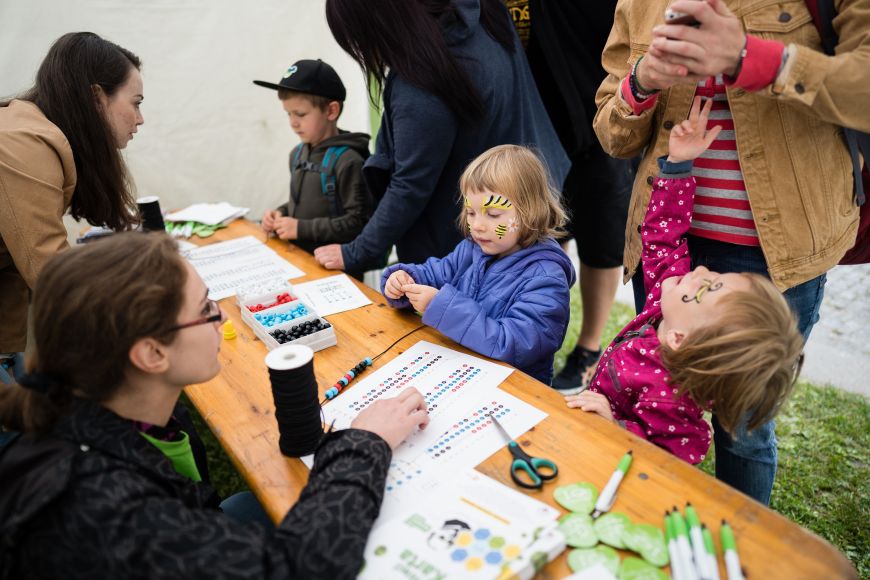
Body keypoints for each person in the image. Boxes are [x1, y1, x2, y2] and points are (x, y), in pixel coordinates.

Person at [0, 233, 430, 578]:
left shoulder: (88, 413)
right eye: (206, 308)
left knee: (247, 503)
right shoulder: (107, 514)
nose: (222, 318)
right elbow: (299, 565)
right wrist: (364, 441)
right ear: (151, 354)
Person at [593, 0, 868, 503]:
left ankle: (742, 543)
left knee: (743, 429)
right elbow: (613, 132)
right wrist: (644, 80)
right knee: (654, 381)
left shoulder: (691, 292)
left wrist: (750, 56)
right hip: (673, 245)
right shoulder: (683, 285)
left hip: (777, 261)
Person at [568, 97, 804, 465]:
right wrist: (677, 165)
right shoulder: (669, 303)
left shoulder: (672, 404)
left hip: (610, 468)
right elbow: (664, 237)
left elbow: (667, 464)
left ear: (679, 340)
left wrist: (613, 426)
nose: (701, 271)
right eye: (717, 277)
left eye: (706, 289)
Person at [314, 0, 569, 273]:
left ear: (377, 26)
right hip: (532, 202)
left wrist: (356, 252)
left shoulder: (423, 82)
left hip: (469, 253)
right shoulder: (483, 11)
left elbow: (409, 186)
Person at [504, 0, 635, 395]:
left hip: (600, 125)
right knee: (542, 238)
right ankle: (541, 336)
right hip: (535, 125)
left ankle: (588, 349)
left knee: (602, 243)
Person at [0, 32, 143, 381]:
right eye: (136, 102)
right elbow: (48, 267)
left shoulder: (36, 132)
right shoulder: (23, 142)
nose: (140, 119)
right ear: (97, 97)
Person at [381, 145, 575, 385]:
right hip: (464, 373)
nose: (478, 225)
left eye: (493, 214)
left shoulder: (546, 278)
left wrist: (441, 307)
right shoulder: (472, 250)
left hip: (515, 391)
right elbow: (436, 273)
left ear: (530, 212)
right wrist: (403, 280)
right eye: (471, 212)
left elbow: (512, 343)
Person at [255, 59, 373, 263]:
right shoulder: (297, 154)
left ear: (331, 111)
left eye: (300, 114)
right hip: (300, 259)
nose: (293, 122)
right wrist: (281, 214)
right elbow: (307, 203)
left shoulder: (349, 161)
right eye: (288, 114)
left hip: (335, 269)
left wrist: (300, 228)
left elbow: (357, 223)